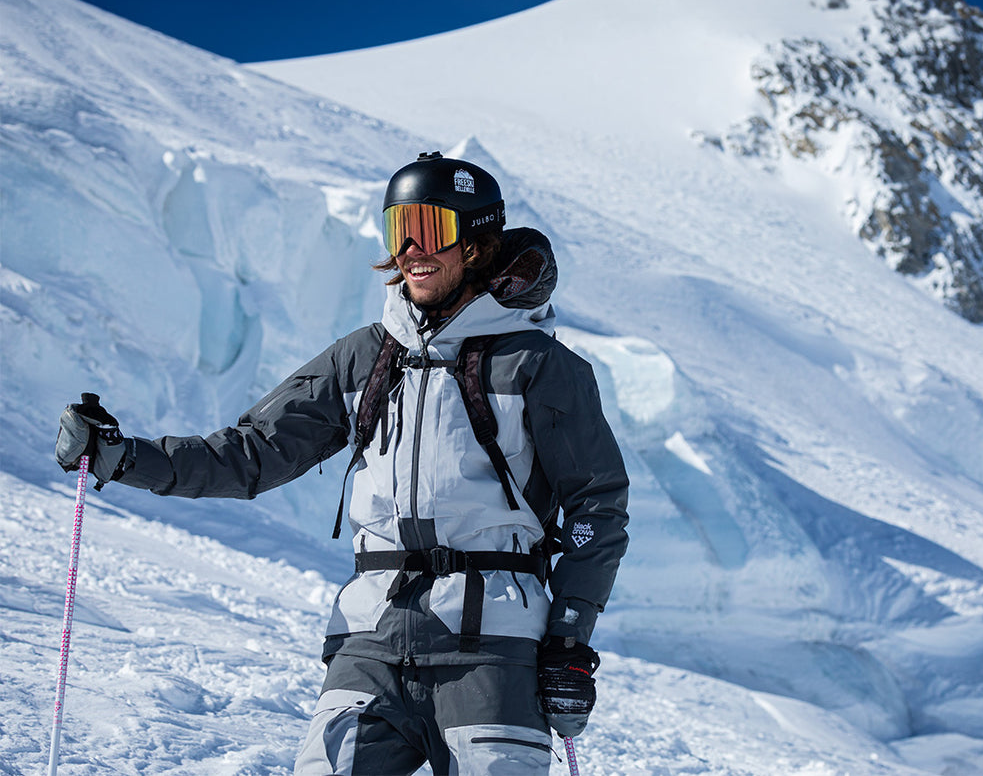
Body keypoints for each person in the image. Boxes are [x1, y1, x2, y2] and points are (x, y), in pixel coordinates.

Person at [56, 152, 630, 775]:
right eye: (397, 229)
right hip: (371, 641)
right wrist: (121, 457)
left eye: (431, 228)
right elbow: (253, 454)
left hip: (494, 652)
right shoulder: (364, 358)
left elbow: (596, 507)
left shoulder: (540, 366)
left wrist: (569, 643)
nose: (411, 248)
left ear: (476, 245)